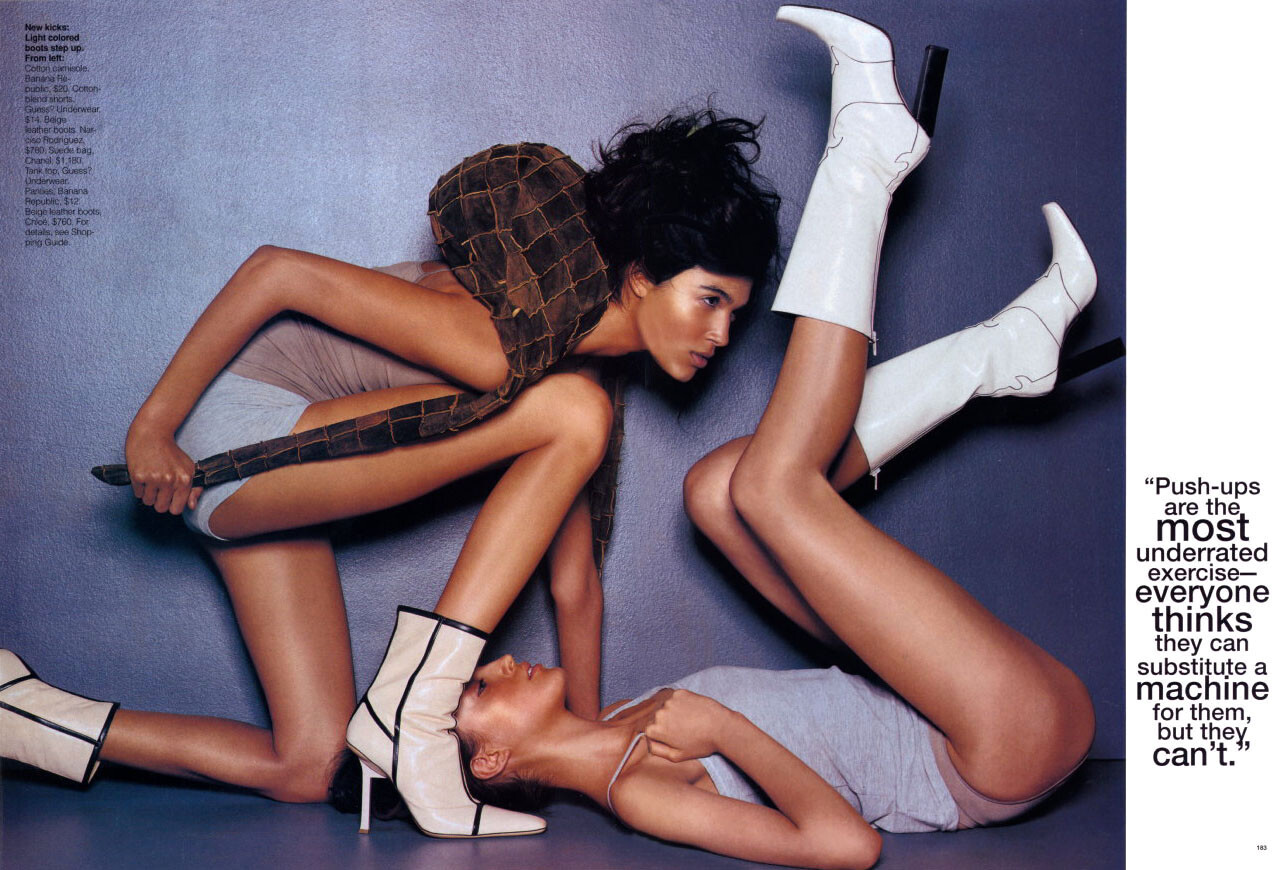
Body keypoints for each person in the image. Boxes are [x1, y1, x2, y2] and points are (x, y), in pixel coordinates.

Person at [431, 8, 1098, 868]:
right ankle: (865, 156)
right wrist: (722, 729)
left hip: (942, 701)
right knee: (770, 489)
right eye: (480, 687)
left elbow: (575, 589)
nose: (500, 660)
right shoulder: (634, 791)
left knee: (716, 492)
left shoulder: (611, 723)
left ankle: (1003, 354)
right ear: (493, 761)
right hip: (991, 747)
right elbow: (847, 847)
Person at [0, 111, 780, 838]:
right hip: (239, 436)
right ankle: (414, 709)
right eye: (708, 300)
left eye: (735, 315)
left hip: (290, 485)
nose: (720, 335)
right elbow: (278, 272)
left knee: (310, 765)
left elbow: (575, 586)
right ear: (641, 277)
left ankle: (25, 715)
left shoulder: (581, 378)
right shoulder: (508, 343)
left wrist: (597, 760)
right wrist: (151, 428)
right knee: (575, 412)